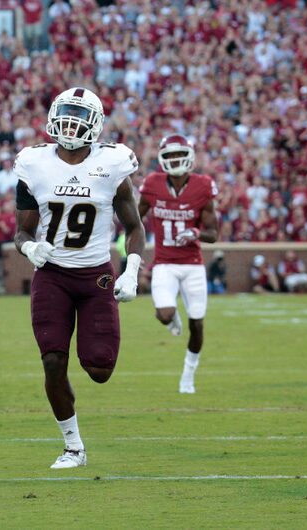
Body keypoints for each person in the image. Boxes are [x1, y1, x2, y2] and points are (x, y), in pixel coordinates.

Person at [13, 87, 145, 469]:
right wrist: (28, 248)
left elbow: (135, 227)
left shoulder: (113, 163)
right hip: (51, 275)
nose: (71, 123)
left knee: (100, 369)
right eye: (65, 113)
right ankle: (73, 446)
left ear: (96, 123)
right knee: (53, 361)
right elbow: (22, 230)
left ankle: (75, 439)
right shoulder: (34, 163)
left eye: (79, 115)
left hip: (96, 277)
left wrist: (132, 270)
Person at [138, 134, 219, 394]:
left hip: (193, 263)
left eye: (178, 154)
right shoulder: (152, 184)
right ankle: (173, 321)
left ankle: (188, 375)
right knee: (165, 314)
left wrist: (196, 233)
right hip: (164, 262)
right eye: (169, 155)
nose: (174, 160)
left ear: (190, 157)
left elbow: (213, 233)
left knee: (197, 323)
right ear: (162, 158)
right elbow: (134, 219)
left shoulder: (203, 185)